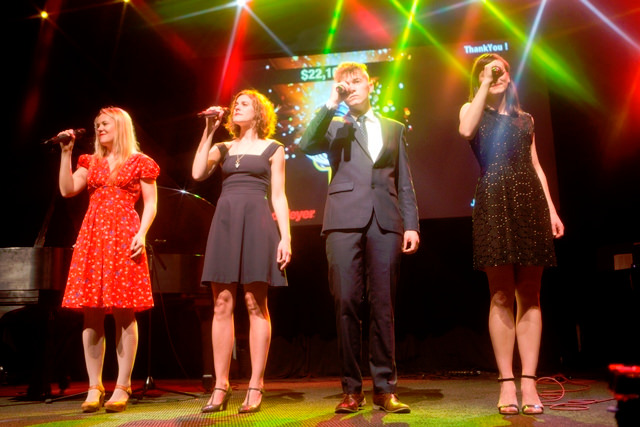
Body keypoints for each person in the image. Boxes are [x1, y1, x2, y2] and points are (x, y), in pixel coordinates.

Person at [299, 62, 420, 414]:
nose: (349, 87)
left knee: (384, 306)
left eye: (355, 81)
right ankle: (351, 389)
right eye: (343, 83)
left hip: (385, 221)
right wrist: (328, 103)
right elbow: (307, 144)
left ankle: (385, 388)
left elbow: (405, 181)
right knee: (346, 303)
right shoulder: (334, 125)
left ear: (370, 85)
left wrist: (411, 224)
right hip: (342, 220)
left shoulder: (393, 128)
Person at [458, 53, 564, 416]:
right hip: (493, 200)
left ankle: (530, 381)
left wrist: (550, 208)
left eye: (500, 69)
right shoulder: (471, 111)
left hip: (529, 202)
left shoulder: (526, 119)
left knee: (530, 294)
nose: (496, 73)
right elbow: (465, 131)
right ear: (479, 80)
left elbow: (535, 165)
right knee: (501, 294)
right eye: (487, 71)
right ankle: (506, 382)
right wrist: (485, 83)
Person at [192, 90, 291, 414]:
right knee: (221, 303)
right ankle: (221, 385)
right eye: (236, 104)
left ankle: (255, 384)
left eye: (244, 104)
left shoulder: (274, 148)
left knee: (254, 302)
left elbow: (279, 196)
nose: (237, 107)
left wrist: (286, 238)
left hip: (258, 223)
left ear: (259, 113)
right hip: (225, 223)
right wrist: (209, 129)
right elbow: (196, 173)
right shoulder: (223, 147)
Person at [58, 107, 160, 413]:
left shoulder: (140, 162)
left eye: (105, 124)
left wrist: (142, 234)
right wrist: (66, 152)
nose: (99, 128)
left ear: (121, 127)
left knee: (124, 312)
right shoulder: (91, 162)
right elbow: (67, 190)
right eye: (97, 125)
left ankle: (123, 385)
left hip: (123, 238)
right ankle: (94, 386)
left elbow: (152, 204)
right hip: (93, 239)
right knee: (91, 312)